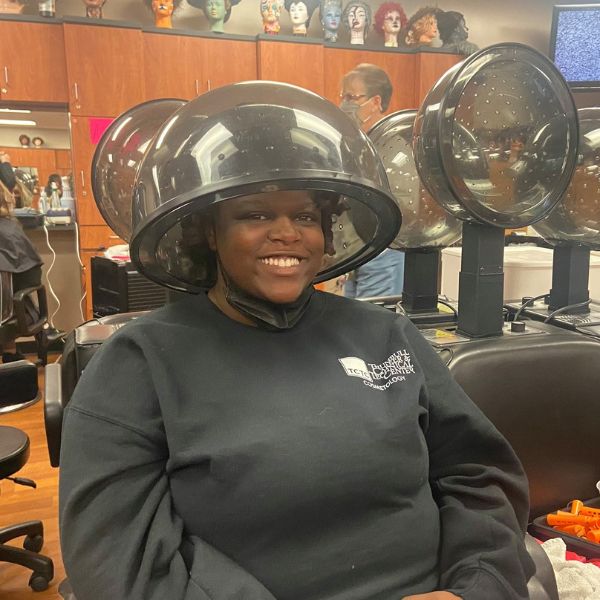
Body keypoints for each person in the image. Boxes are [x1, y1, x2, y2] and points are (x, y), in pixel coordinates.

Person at [59, 82, 534, 600]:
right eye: (256, 214)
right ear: (210, 232)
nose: (287, 233)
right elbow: (120, 559)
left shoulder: (384, 335)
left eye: (305, 216)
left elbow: (479, 473)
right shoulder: (141, 362)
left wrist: (476, 587)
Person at [339, 64, 405, 298]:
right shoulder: (356, 142)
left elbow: (404, 203)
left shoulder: (392, 143)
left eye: (352, 97)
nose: (345, 104)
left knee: (373, 325)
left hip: (383, 251)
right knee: (350, 322)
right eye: (343, 96)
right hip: (356, 250)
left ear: (376, 102)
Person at [0, 186, 44, 362]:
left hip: (11, 311)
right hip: (14, 310)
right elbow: (33, 277)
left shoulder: (7, 231)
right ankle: (11, 357)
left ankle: (11, 357)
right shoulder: (10, 229)